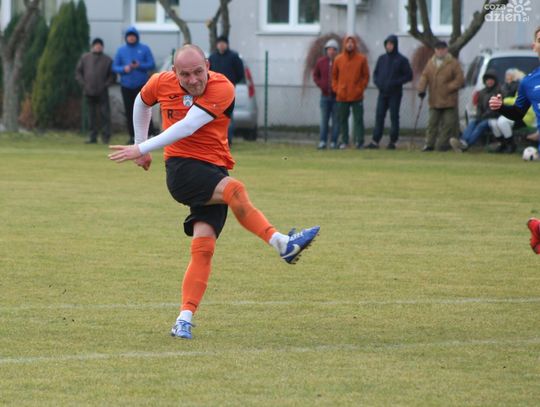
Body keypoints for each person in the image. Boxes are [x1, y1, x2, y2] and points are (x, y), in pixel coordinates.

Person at [108, 45, 320, 339]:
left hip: (214, 170)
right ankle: (282, 243)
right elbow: (141, 103)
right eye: (185, 75)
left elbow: (188, 125)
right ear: (174, 73)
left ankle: (183, 319)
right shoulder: (160, 82)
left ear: (207, 65)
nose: (193, 80)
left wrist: (141, 147)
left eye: (198, 72)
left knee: (204, 247)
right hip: (182, 170)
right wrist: (140, 145)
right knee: (235, 190)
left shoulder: (223, 87)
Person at [489, 27, 540, 253]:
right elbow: (518, 112)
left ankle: (538, 229)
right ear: (534, 46)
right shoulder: (529, 82)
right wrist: (501, 107)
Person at [366, 34, 412, 150]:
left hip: (395, 93)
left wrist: (396, 82)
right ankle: (375, 141)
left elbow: (409, 75)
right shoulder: (381, 59)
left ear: (395, 45)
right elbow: (376, 74)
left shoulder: (402, 60)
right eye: (387, 44)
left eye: (391, 44)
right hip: (382, 92)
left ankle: (393, 141)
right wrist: (378, 83)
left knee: (394, 116)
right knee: (379, 115)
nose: (389, 46)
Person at [417, 41, 464, 151]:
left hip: (449, 100)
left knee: (448, 124)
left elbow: (460, 79)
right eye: (438, 49)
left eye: (442, 49)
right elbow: (424, 76)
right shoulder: (431, 63)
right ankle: (429, 144)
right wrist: (421, 89)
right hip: (434, 99)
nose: (440, 51)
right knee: (432, 123)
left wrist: (448, 87)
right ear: (435, 50)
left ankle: (441, 145)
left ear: (446, 50)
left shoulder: (453, 63)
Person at [113, 26, 156, 144]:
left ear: (136, 37)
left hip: (141, 85)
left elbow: (151, 64)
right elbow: (115, 67)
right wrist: (124, 68)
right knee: (129, 111)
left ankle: (150, 134)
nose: (131, 38)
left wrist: (139, 65)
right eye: (129, 36)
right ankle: (132, 136)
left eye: (133, 36)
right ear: (126, 37)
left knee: (145, 109)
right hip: (126, 85)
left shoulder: (144, 48)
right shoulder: (121, 50)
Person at [332, 35, 370, 149]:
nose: (349, 44)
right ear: (344, 44)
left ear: (355, 44)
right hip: (342, 95)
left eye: (351, 42)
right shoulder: (338, 59)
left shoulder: (361, 59)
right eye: (347, 42)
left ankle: (359, 141)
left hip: (357, 95)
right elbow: (334, 77)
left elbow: (366, 76)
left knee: (358, 119)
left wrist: (360, 88)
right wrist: (337, 89)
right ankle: (344, 141)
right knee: (343, 119)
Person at [449, 70, 501, 152]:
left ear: (495, 81)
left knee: (481, 125)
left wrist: (485, 115)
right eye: (488, 80)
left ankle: (466, 144)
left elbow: (496, 107)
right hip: (483, 116)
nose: (489, 82)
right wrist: (479, 115)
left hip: (493, 117)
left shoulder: (498, 92)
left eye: (491, 80)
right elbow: (479, 106)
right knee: (472, 122)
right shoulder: (482, 92)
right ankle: (463, 141)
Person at [75, 38, 115, 144]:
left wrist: (105, 85)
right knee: (91, 116)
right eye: (96, 45)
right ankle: (92, 136)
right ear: (92, 46)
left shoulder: (108, 60)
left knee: (105, 115)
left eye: (100, 46)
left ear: (102, 47)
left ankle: (106, 137)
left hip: (102, 92)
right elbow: (78, 72)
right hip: (89, 91)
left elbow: (112, 76)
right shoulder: (85, 58)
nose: (98, 47)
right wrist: (84, 84)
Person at [208, 35, 245, 147]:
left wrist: (231, 83)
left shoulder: (234, 57)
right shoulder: (212, 57)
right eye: (219, 43)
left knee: (228, 116)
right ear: (216, 45)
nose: (221, 45)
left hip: (229, 92)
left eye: (223, 43)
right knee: (214, 116)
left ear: (227, 44)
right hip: (214, 91)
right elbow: (208, 73)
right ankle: (215, 140)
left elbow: (240, 73)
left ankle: (228, 140)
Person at [489, 69, 528, 153]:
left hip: (522, 116)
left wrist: (505, 101)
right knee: (493, 122)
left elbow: (518, 101)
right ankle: (502, 144)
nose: (507, 77)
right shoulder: (504, 86)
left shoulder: (520, 87)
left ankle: (511, 145)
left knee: (502, 122)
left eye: (509, 75)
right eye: (506, 75)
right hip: (508, 111)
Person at [313, 38, 340, 149]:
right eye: (329, 49)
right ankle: (322, 141)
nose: (331, 51)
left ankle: (334, 142)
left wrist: (338, 89)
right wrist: (321, 85)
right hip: (324, 96)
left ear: (337, 51)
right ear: (326, 50)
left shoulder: (339, 62)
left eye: (333, 49)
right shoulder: (321, 62)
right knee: (324, 120)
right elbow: (315, 75)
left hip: (336, 97)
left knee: (336, 121)